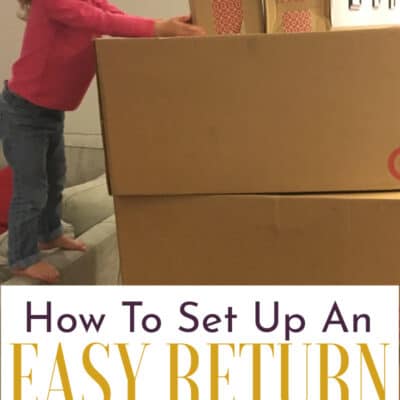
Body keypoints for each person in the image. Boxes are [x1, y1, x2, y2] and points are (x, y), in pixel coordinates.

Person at [0, 0, 205, 284]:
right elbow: (99, 20)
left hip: (49, 111)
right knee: (32, 187)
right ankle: (22, 258)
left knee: (55, 177)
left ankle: (49, 234)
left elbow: (113, 16)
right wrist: (158, 28)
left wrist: (168, 27)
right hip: (23, 111)